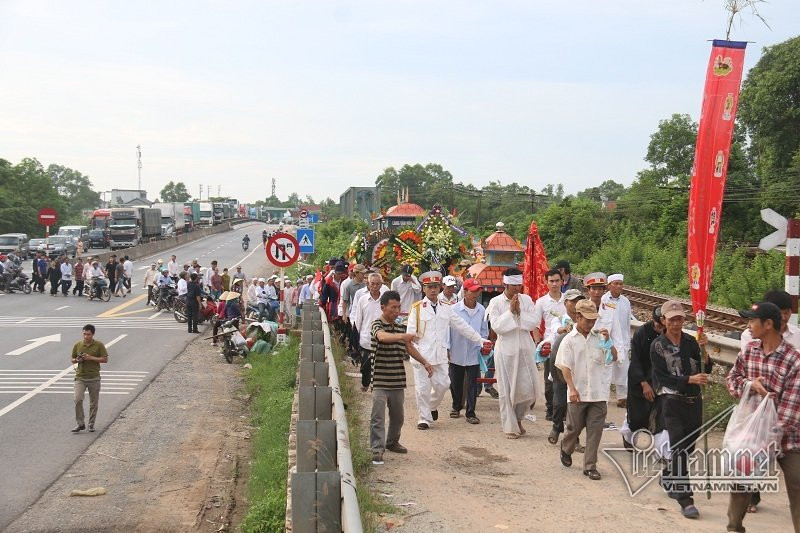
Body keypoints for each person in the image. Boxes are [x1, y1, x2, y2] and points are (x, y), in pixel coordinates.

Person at [727, 301, 800, 532]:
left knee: (797, 484)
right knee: (740, 484)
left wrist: (768, 438)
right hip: (753, 434)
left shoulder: (793, 360)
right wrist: (750, 385)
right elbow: (732, 379)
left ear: (768, 324)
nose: (748, 326)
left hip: (788, 439)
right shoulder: (750, 351)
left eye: (752, 321)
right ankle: (734, 527)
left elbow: (791, 410)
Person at [651, 300, 711, 519]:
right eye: (672, 319)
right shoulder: (657, 345)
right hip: (671, 401)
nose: (676, 323)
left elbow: (706, 367)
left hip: (694, 402)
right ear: (664, 321)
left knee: (687, 448)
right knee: (678, 447)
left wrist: (704, 352)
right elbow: (662, 376)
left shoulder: (690, 341)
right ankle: (686, 500)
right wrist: (689, 379)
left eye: (680, 319)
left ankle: (668, 474)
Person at [407, 271, 489, 430]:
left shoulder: (446, 308)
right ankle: (424, 419)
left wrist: (480, 339)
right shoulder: (417, 309)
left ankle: (431, 406)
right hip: (422, 355)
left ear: (440, 287)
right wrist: (420, 359)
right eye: (429, 287)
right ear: (424, 289)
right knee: (422, 389)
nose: (433, 290)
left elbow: (462, 326)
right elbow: (411, 336)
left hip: (440, 355)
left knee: (443, 385)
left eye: (436, 287)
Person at [369, 290, 433, 465]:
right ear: (383, 308)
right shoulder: (377, 325)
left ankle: (392, 442)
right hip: (380, 379)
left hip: (397, 380)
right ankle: (376, 448)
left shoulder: (399, 327)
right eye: (393, 307)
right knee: (378, 417)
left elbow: (409, 347)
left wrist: (424, 362)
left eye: (398, 307)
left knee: (398, 416)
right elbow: (382, 337)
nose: (396, 311)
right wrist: (403, 336)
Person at [555, 299, 616, 480]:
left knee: (595, 431)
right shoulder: (569, 340)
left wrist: (609, 342)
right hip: (578, 392)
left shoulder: (599, 338)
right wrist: (572, 388)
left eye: (593, 320)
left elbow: (613, 358)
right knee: (574, 428)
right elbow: (565, 367)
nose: (591, 324)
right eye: (587, 320)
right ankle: (567, 447)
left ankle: (590, 466)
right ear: (578, 317)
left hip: (598, 392)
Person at [484, 267, 541, 439]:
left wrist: (518, 314)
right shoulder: (495, 302)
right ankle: (510, 426)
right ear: (505, 285)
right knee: (506, 390)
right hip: (505, 350)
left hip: (525, 347)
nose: (517, 289)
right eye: (514, 286)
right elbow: (497, 327)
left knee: (528, 388)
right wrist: (510, 312)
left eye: (519, 286)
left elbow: (534, 322)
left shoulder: (527, 300)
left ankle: (518, 418)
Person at [547, 288, 585, 445]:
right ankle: (557, 427)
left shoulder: (585, 320)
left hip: (578, 368)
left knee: (575, 405)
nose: (576, 304)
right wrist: (565, 329)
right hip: (560, 367)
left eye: (579, 301)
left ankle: (573, 437)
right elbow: (557, 329)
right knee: (560, 402)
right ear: (566, 303)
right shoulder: (559, 319)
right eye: (573, 301)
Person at [449, 278, 489, 424]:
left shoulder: (482, 310)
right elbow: (448, 330)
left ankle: (471, 412)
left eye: (477, 291)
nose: (475, 294)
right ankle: (456, 406)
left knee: (473, 383)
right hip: (456, 350)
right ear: (465, 292)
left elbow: (484, 331)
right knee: (455, 382)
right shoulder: (453, 309)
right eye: (472, 291)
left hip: (473, 351)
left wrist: (483, 345)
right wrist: (448, 348)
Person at [625, 306, 665, 449]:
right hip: (640, 377)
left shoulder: (670, 334)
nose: (661, 329)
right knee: (638, 417)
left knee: (660, 417)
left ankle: (662, 450)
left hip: (659, 380)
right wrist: (643, 383)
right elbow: (635, 360)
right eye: (658, 326)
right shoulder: (642, 333)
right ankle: (628, 433)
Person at [532, 268, 566, 421]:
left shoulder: (568, 300)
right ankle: (550, 409)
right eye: (551, 281)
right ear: (546, 283)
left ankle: (564, 409)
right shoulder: (541, 302)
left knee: (566, 376)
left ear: (562, 281)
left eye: (557, 281)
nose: (554, 284)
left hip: (568, 344)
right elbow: (535, 325)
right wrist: (540, 343)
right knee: (549, 378)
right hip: (549, 345)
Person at [70, 324, 108, 433]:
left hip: (94, 378)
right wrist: (77, 360)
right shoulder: (78, 345)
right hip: (80, 377)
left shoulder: (99, 345)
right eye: (84, 334)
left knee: (94, 403)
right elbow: (72, 359)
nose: (86, 336)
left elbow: (105, 359)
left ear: (93, 334)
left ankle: (91, 424)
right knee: (77, 399)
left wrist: (90, 358)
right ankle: (80, 423)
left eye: (88, 334)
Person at [354, 273, 389, 391]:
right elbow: (358, 320)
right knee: (366, 367)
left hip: (382, 339)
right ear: (368, 284)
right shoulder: (362, 300)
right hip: (366, 339)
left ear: (381, 285)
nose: (374, 286)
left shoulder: (386, 300)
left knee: (380, 367)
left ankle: (378, 388)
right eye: (372, 284)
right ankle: (365, 383)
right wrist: (356, 338)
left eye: (377, 284)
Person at [603, 273, 633, 408]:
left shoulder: (625, 302)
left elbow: (627, 323)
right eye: (616, 284)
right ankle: (604, 397)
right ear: (609, 285)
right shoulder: (603, 300)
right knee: (606, 368)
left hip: (623, 340)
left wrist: (627, 339)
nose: (619, 286)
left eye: (620, 284)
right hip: (608, 339)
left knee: (623, 369)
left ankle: (622, 398)